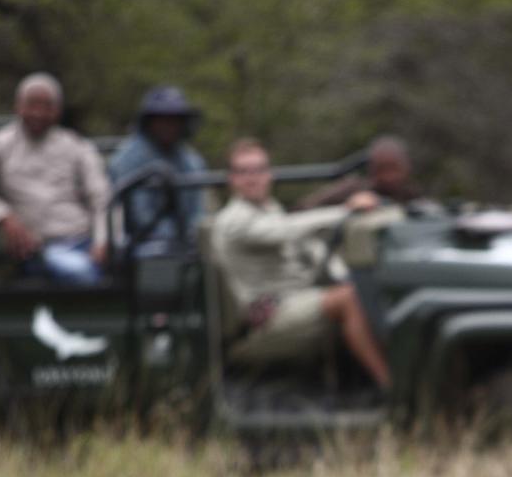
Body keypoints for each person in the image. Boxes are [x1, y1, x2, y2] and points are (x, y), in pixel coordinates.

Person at [212, 137, 390, 390]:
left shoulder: (270, 209)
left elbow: (309, 247)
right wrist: (346, 211)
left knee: (365, 287)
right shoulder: (232, 220)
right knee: (348, 298)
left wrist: (347, 274)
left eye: (259, 170)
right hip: (268, 318)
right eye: (243, 172)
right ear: (232, 179)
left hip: (297, 301)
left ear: (270, 174)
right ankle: (391, 387)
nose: (252, 178)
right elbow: (282, 231)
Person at [0, 73, 110, 285]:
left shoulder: (77, 146)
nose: (38, 113)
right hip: (36, 249)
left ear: (58, 111)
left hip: (81, 239)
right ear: (18, 106)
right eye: (32, 104)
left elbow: (101, 197)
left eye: (47, 106)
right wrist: (4, 218)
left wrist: (102, 242)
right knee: (80, 273)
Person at [108, 85, 206, 252]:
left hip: (184, 241)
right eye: (162, 119)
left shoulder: (192, 161)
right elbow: (139, 218)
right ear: (149, 122)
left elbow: (196, 213)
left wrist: (192, 235)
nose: (169, 126)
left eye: (175, 120)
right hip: (140, 243)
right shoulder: (127, 160)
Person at [298, 135, 423, 210]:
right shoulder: (353, 188)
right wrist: (347, 206)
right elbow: (303, 208)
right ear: (371, 169)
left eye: (393, 169)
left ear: (407, 167)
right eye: (382, 169)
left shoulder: (413, 195)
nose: (388, 177)